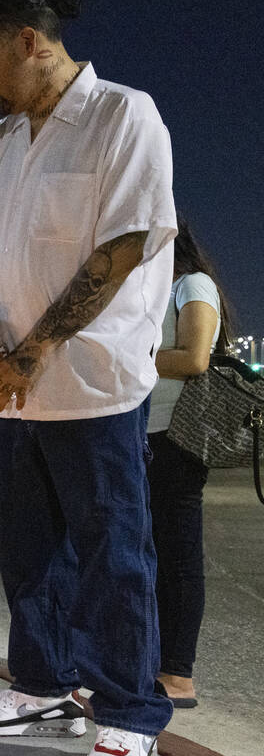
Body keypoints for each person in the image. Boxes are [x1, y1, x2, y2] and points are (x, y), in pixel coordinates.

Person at [0, 0, 177, 756]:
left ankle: (127, 712)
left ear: (31, 44)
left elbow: (121, 247)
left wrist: (36, 348)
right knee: (30, 552)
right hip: (11, 383)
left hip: (91, 384)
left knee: (114, 553)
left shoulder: (124, 116)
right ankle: (42, 684)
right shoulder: (1, 141)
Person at [147, 217, 232, 708]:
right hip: (144, 431)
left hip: (176, 437)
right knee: (149, 553)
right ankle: (152, 661)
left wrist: (125, 352)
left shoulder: (192, 283)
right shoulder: (151, 287)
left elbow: (195, 358)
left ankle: (178, 675)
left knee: (177, 556)